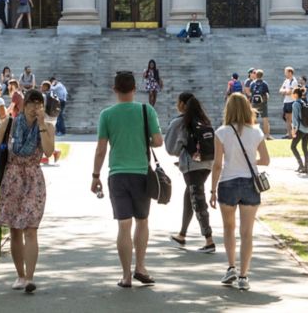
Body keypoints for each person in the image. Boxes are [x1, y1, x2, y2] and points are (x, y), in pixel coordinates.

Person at [92, 69, 162, 289]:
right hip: (141, 173)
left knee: (123, 225)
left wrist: (95, 175)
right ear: (134, 88)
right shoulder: (146, 110)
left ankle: (126, 276)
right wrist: (141, 139)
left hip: (117, 174)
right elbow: (158, 141)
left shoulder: (107, 114)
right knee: (142, 221)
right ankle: (140, 266)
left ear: (114, 89)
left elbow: (101, 150)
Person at [0, 88, 55, 293]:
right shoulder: (9, 123)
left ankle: (29, 277)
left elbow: (49, 151)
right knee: (15, 229)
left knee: (31, 228)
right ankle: (20, 275)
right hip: (12, 178)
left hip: (33, 179)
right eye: (32, 103)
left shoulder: (48, 126)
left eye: (39, 104)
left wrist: (42, 125)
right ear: (24, 104)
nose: (35, 108)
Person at [210, 92, 270, 292]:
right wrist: (251, 161)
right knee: (247, 233)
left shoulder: (222, 132)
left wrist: (211, 190)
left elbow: (217, 164)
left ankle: (231, 267)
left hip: (227, 182)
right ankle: (244, 275)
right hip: (249, 184)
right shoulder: (256, 132)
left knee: (229, 229)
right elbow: (266, 160)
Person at [165, 92, 216, 252]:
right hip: (207, 164)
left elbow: (171, 149)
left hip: (191, 166)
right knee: (191, 195)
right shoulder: (204, 120)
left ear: (181, 104)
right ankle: (182, 234)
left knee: (198, 200)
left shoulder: (179, 123)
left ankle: (209, 240)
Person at [39, 81, 61, 164]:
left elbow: (43, 107)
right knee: (49, 138)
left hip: (46, 119)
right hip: (53, 118)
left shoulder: (44, 96)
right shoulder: (53, 95)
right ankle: (55, 152)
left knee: (43, 138)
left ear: (45, 87)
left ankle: (46, 157)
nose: (40, 87)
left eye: (42, 86)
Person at [290, 86, 308, 175]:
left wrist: (293, 130)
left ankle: (301, 165)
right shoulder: (303, 102)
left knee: (293, 147)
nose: (291, 94)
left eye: (292, 93)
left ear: (295, 94)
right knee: (305, 148)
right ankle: (305, 168)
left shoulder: (295, 104)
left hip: (300, 129)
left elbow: (295, 119)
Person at [249, 69, 271, 140]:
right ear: (262, 75)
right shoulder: (264, 83)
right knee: (265, 119)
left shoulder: (252, 83)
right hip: (263, 103)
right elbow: (267, 94)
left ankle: (254, 135)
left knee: (254, 119)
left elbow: (250, 92)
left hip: (254, 103)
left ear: (256, 75)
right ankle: (266, 135)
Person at [279, 66, 299, 137]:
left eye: (286, 72)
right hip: (286, 101)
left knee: (290, 118)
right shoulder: (286, 80)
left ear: (290, 73)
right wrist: (285, 91)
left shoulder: (294, 81)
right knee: (286, 118)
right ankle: (289, 133)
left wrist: (284, 91)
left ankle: (292, 134)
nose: (285, 74)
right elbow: (280, 89)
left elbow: (289, 92)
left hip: (292, 102)